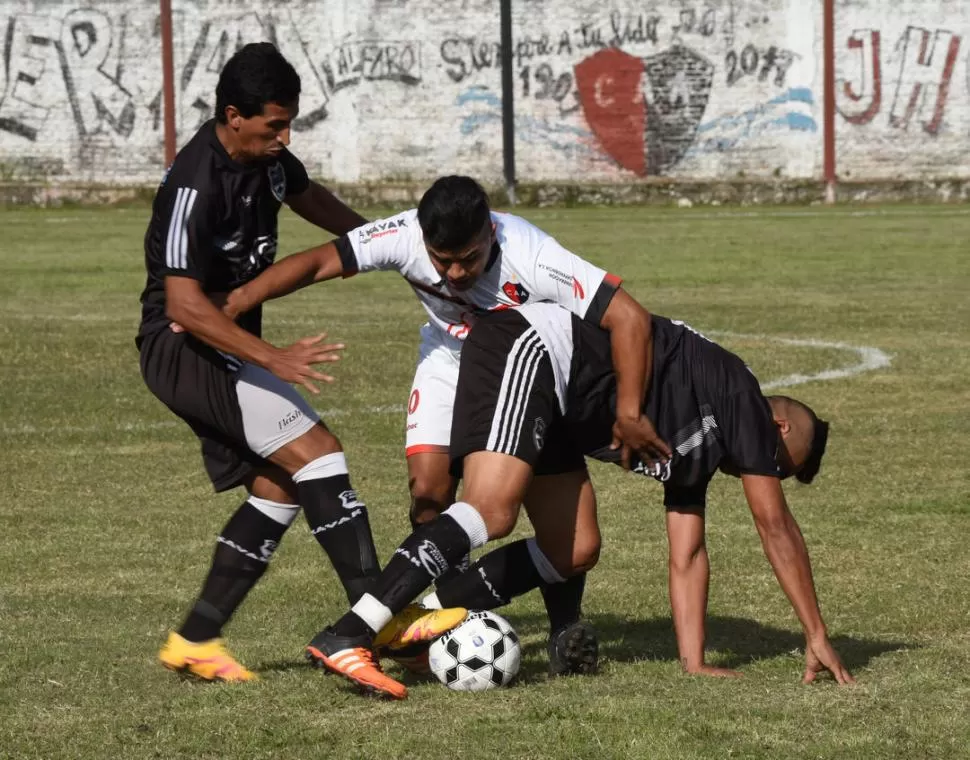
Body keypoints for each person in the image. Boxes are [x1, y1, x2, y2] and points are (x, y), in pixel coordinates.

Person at [225, 175, 671, 676]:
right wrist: (237, 302)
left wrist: (628, 411)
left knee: (548, 524)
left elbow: (628, 316)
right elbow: (319, 261)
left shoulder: (532, 252)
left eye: (470, 259)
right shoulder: (402, 235)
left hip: (522, 369)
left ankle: (548, 620)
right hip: (449, 362)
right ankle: (433, 620)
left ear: (492, 235)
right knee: (430, 492)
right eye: (443, 261)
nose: (456, 273)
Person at [303, 302, 854, 699]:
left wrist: (694, 664)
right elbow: (774, 525)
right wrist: (816, 634)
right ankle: (349, 633)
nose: (766, 473)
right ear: (778, 426)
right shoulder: (740, 394)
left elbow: (686, 555)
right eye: (781, 464)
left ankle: (412, 618)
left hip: (563, 408)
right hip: (535, 350)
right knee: (492, 511)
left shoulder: (704, 446)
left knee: (576, 547)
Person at [137, 42, 463, 683]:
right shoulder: (191, 186)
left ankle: (197, 639)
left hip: (219, 347)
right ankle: (382, 616)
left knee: (282, 483)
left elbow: (314, 201)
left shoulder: (270, 163)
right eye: (273, 125)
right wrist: (272, 357)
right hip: (184, 348)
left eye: (291, 123)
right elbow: (183, 304)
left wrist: (395, 241)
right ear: (233, 116)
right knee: (319, 452)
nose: (285, 137)